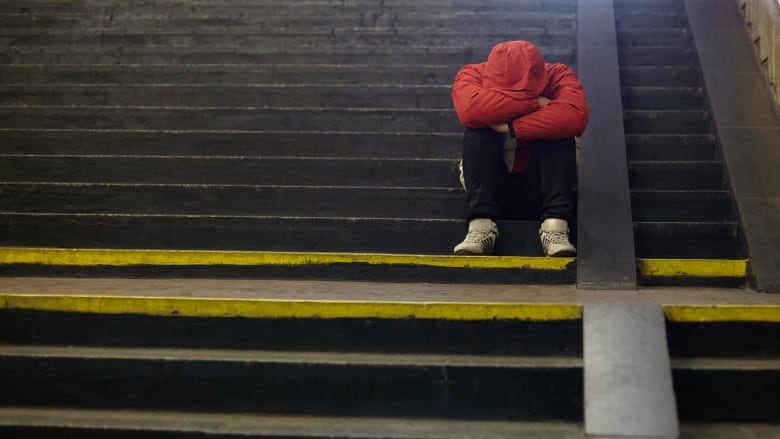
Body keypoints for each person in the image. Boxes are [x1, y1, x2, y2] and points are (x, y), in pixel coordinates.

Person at [451, 40, 589, 256]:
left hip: (544, 190)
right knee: (478, 130)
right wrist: (535, 103)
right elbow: (470, 111)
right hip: (493, 188)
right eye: (509, 90)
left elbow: (575, 118)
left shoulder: (559, 75)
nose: (517, 92)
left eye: (523, 89)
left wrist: (511, 125)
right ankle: (481, 227)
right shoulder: (473, 74)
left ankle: (555, 228)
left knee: (559, 129)